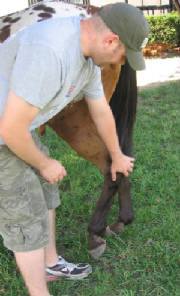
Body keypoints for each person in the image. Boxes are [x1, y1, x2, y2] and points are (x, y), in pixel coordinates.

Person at [0, 2, 149, 296]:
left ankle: (51, 263)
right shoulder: (50, 51)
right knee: (24, 214)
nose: (120, 63)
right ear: (111, 40)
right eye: (123, 56)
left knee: (46, 191)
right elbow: (9, 130)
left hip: (18, 125)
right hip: (6, 131)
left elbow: (100, 110)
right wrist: (44, 163)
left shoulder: (89, 55)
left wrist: (117, 155)